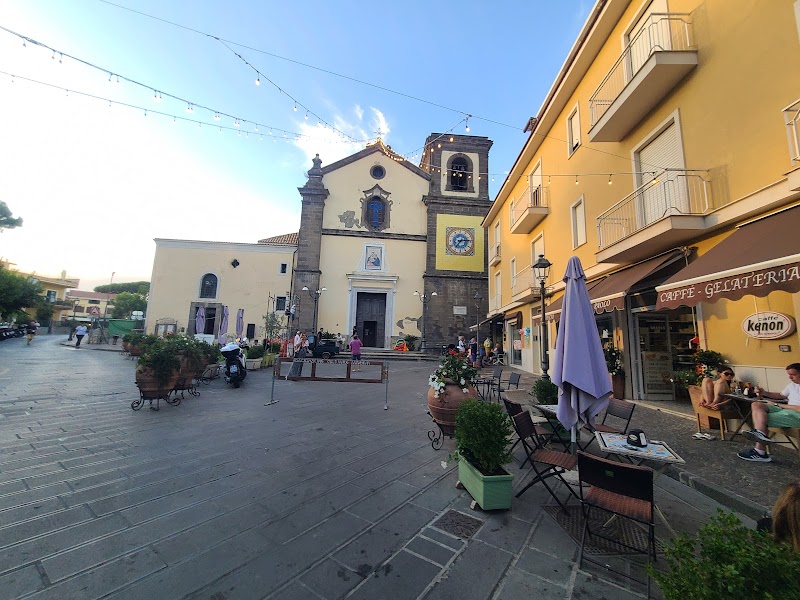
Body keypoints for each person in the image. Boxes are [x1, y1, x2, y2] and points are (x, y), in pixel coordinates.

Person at [738, 363, 800, 463]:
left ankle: (760, 452)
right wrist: (764, 392)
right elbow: (780, 395)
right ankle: (760, 435)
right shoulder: (792, 385)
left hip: (796, 415)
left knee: (761, 419)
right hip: (786, 411)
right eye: (789, 375)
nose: (790, 377)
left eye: (793, 375)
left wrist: (777, 405)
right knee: (756, 405)